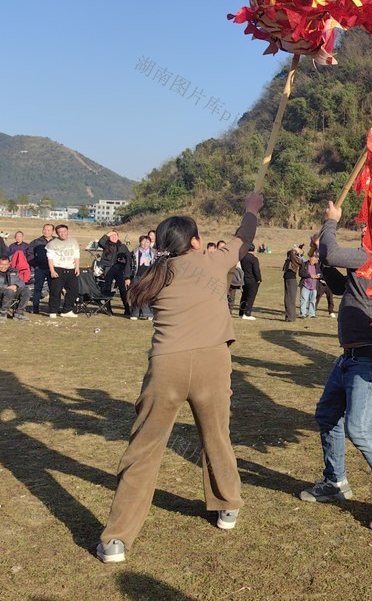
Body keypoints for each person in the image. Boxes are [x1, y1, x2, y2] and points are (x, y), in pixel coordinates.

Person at [96, 192, 263, 563]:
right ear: (195, 242)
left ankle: (116, 540)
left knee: (143, 449)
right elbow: (244, 238)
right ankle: (228, 505)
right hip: (212, 362)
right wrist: (251, 209)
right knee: (217, 437)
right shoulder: (212, 261)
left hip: (165, 366)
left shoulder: (155, 273)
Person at [299, 201, 372, 531]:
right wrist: (321, 249)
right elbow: (337, 282)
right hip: (350, 356)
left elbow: (335, 254)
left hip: (369, 355)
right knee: (327, 415)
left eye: (368, 228)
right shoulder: (363, 266)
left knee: (359, 428)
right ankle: (335, 482)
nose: (363, 231)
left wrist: (329, 224)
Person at [47, 224, 80, 318]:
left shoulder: (73, 241)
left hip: (71, 268)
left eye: (64, 231)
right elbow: (50, 258)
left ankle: (67, 310)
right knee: (56, 290)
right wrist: (52, 271)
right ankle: (53, 310)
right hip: (58, 268)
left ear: (67, 231)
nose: (62, 234)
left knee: (74, 290)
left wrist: (77, 267)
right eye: (60, 232)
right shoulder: (52, 244)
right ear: (57, 233)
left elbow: (76, 255)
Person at [98, 230, 133, 316]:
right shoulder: (106, 245)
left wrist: (127, 275)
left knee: (123, 289)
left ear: (118, 236)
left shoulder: (123, 247)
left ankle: (127, 308)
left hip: (120, 269)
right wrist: (108, 234)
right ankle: (108, 308)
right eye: (111, 236)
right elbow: (100, 242)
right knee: (107, 288)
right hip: (108, 269)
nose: (114, 237)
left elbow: (129, 260)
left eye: (115, 236)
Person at [28, 224, 55, 314]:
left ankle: (52, 308)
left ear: (52, 231)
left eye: (49, 230)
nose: (46, 231)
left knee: (53, 289)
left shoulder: (56, 241)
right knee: (37, 289)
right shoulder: (36, 242)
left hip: (53, 270)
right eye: (45, 229)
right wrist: (35, 265)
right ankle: (35, 308)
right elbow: (29, 254)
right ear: (42, 230)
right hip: (40, 269)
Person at [130, 236, 156, 320]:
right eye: (143, 241)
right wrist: (127, 277)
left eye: (147, 242)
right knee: (136, 294)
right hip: (137, 275)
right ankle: (135, 313)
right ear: (140, 242)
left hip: (148, 276)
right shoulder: (134, 252)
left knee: (147, 294)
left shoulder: (154, 253)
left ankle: (148, 313)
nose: (145, 244)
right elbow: (129, 265)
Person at [0, 255, 30, 321]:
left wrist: (16, 285)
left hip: (13, 290)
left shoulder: (13, 271)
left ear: (9, 264)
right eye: (1, 264)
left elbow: (21, 282)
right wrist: (7, 288)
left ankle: (19, 313)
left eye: (5, 264)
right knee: (9, 291)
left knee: (26, 291)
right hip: (2, 291)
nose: (3, 266)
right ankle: (3, 313)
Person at [238, 246, 261, 320]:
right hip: (252, 280)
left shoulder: (243, 258)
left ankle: (241, 312)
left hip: (245, 279)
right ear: (253, 250)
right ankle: (247, 313)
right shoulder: (254, 259)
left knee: (244, 296)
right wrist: (259, 279)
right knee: (250, 298)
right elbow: (256, 270)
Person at [282, 247, 303, 322]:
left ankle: (289, 317)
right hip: (290, 279)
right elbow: (289, 253)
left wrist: (296, 250)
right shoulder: (293, 259)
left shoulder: (295, 260)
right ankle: (291, 316)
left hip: (290, 279)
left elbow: (291, 253)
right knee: (290, 299)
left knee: (289, 299)